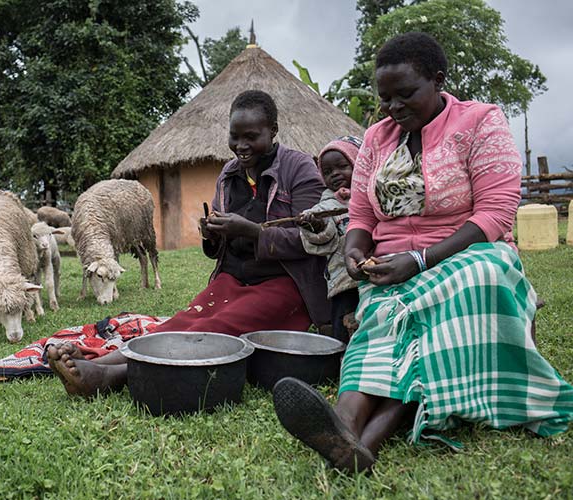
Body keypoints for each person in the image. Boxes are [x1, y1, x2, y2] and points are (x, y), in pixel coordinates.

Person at [272, 32, 573, 473]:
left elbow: (496, 213)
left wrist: (421, 260)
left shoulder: (480, 123)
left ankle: (364, 438)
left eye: (406, 94)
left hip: (468, 256)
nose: (394, 108)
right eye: (386, 98)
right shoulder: (376, 139)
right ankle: (344, 425)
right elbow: (360, 215)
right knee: (383, 320)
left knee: (464, 287)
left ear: (438, 79)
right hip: (393, 267)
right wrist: (357, 252)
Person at [47, 89, 330, 397]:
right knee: (186, 320)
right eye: (235, 137)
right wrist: (213, 235)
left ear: (273, 131)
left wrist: (252, 231)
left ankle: (111, 378)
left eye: (251, 136)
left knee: (215, 328)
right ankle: (100, 362)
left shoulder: (299, 169)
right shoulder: (229, 173)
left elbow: (311, 238)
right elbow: (219, 247)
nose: (241, 146)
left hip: (286, 284)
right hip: (235, 278)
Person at [297, 136, 362, 343]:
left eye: (342, 166)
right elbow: (325, 238)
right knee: (344, 325)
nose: (335, 174)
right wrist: (315, 225)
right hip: (344, 281)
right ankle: (342, 361)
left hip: (377, 276)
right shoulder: (327, 204)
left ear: (358, 163)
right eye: (327, 172)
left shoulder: (373, 196)